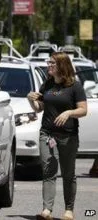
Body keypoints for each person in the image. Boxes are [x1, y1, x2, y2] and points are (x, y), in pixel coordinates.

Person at [27, 51, 87, 220]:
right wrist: (31, 100)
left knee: (68, 174)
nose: (49, 66)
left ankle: (69, 210)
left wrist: (68, 113)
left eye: (52, 63)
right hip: (47, 134)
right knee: (48, 172)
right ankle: (47, 210)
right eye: (48, 63)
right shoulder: (47, 84)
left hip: (68, 136)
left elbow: (83, 110)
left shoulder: (74, 86)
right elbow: (39, 108)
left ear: (62, 65)